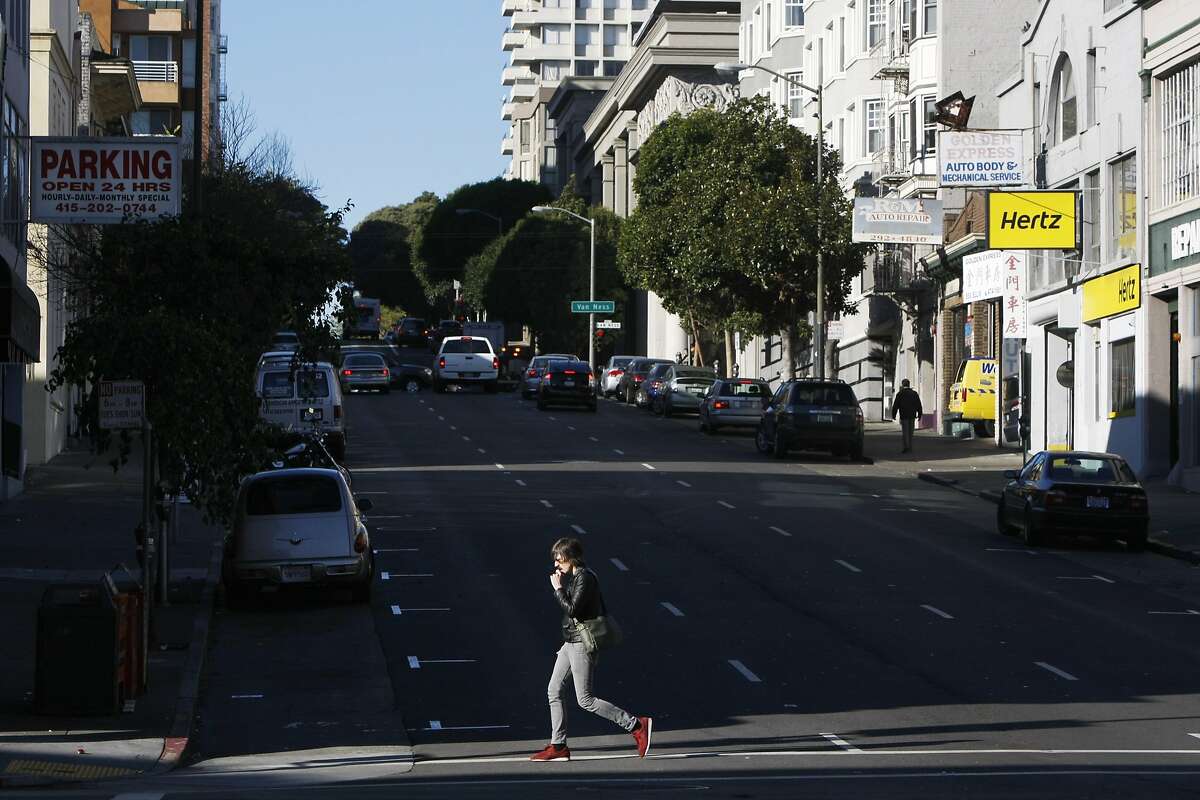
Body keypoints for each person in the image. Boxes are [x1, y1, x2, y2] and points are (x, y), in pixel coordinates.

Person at [531, 537, 652, 762]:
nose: (556, 564)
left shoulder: (585, 578)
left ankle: (636, 724)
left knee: (585, 699)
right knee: (553, 690)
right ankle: (558, 745)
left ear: (570, 557)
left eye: (559, 559)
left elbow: (573, 609)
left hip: (580, 644)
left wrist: (557, 589)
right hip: (570, 642)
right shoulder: (577, 577)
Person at [891, 378, 923, 453]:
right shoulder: (914, 394)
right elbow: (918, 404)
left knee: (905, 432)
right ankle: (910, 447)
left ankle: (906, 447)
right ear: (909, 384)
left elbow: (896, 405)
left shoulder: (900, 394)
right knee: (911, 432)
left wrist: (894, 415)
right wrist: (920, 414)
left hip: (904, 415)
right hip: (912, 415)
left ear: (902, 385)